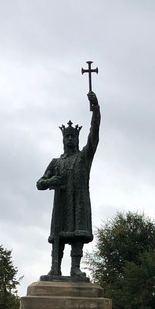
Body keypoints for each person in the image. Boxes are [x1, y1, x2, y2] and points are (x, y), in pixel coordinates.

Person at [37, 90, 100, 281]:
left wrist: (96, 109)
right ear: (63, 140)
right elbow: (39, 183)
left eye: (73, 137)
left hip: (78, 204)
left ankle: (75, 269)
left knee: (76, 236)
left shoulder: (84, 157)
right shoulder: (56, 162)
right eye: (67, 137)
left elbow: (94, 134)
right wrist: (50, 182)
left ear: (77, 139)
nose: (70, 139)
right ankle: (54, 268)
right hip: (62, 206)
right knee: (59, 238)